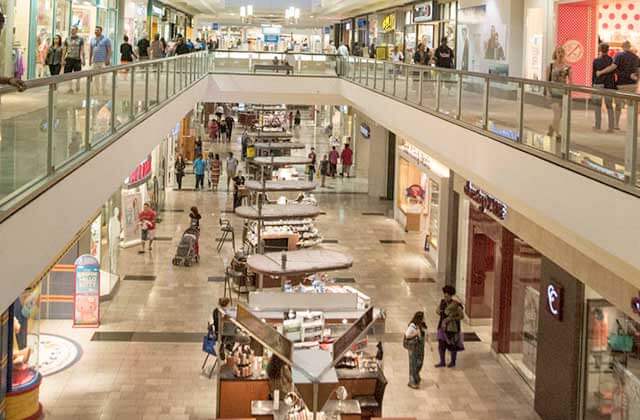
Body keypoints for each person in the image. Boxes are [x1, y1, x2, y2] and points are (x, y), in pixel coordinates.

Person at [596, 40, 639, 129]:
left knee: (618, 105)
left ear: (622, 47)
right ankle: (632, 126)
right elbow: (638, 71)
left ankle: (616, 125)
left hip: (621, 84)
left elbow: (613, 67)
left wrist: (601, 72)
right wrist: (636, 78)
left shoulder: (619, 55)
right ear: (629, 46)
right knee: (632, 106)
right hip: (633, 84)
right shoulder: (636, 57)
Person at [546, 46, 571, 141]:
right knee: (557, 113)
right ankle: (558, 134)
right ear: (555, 54)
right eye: (558, 52)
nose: (560, 54)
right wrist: (548, 92)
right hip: (553, 93)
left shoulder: (567, 67)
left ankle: (552, 127)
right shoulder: (551, 66)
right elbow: (547, 81)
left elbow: (570, 81)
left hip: (563, 94)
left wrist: (570, 93)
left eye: (562, 52)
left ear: (564, 54)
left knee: (560, 115)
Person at [435, 285, 464, 368]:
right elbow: (437, 310)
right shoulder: (442, 302)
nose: (445, 297)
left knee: (453, 345)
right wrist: (440, 312)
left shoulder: (456, 305)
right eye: (444, 295)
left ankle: (453, 362)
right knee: (441, 344)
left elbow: (461, 316)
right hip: (442, 326)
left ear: (451, 296)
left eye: (447, 296)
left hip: (453, 328)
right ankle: (442, 362)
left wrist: (451, 318)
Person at [592, 43, 616, 132]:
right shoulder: (612, 60)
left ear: (600, 50)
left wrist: (593, 85)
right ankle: (611, 127)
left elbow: (594, 75)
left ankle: (598, 125)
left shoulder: (596, 61)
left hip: (598, 84)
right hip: (609, 85)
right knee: (609, 106)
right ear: (608, 50)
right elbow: (614, 73)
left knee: (597, 105)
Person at [405, 311, 427, 389]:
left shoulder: (421, 325)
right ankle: (412, 382)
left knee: (419, 362)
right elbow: (407, 335)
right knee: (413, 365)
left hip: (420, 348)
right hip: (413, 348)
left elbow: (425, 335)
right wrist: (416, 333)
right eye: (423, 317)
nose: (424, 319)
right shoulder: (412, 326)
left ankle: (416, 376)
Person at [89, 26, 112, 94]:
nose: (96, 31)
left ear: (101, 31)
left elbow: (109, 50)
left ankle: (104, 89)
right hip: (95, 61)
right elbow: (91, 50)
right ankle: (97, 90)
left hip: (103, 61)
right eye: (95, 30)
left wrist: (108, 59)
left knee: (104, 76)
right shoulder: (92, 39)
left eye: (97, 30)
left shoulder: (106, 39)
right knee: (96, 77)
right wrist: (90, 59)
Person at [62, 25, 85, 91]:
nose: (72, 31)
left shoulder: (80, 39)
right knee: (68, 74)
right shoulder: (67, 39)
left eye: (74, 29)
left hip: (77, 59)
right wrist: (62, 59)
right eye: (71, 29)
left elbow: (82, 49)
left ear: (76, 30)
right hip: (69, 58)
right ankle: (70, 88)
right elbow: (64, 49)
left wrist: (83, 59)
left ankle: (77, 85)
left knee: (77, 73)